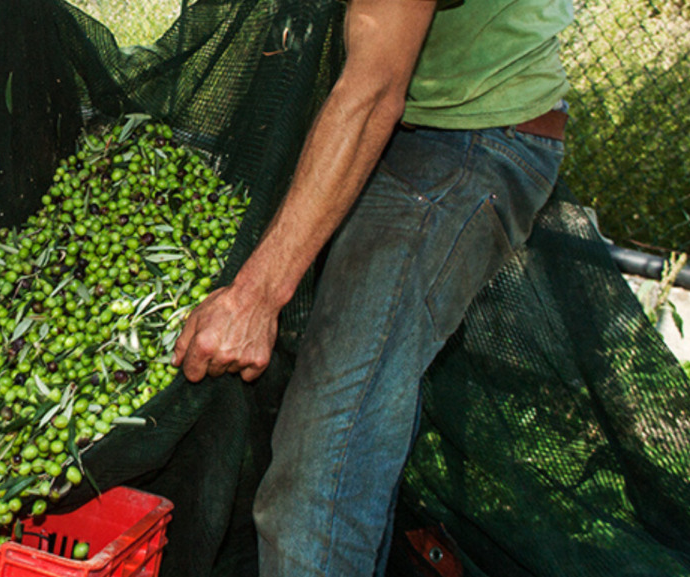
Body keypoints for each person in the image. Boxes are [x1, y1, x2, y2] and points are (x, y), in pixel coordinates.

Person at [171, 0, 573, 574]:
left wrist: (255, 297)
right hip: (413, 128)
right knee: (352, 450)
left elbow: (375, 91)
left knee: (317, 483)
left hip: (464, 142)